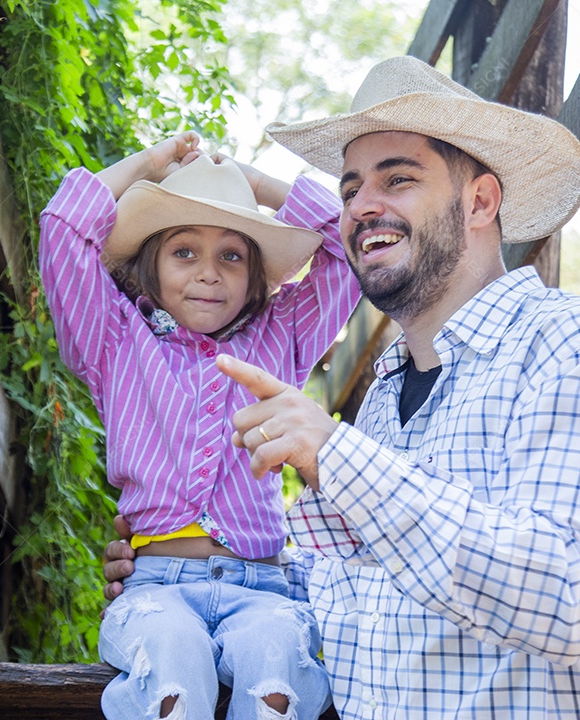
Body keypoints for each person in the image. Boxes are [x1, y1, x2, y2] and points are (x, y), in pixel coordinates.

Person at [104, 56, 580, 719]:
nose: (364, 206)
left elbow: (572, 595)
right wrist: (179, 574)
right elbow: (362, 606)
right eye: (349, 189)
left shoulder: (573, 351)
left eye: (398, 179)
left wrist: (336, 458)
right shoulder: (382, 413)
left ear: (479, 201)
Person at [40, 131, 361, 720]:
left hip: (264, 588)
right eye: (184, 251)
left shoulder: (283, 336)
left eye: (231, 255)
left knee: (274, 671)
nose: (208, 273)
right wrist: (152, 165)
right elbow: (63, 227)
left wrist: (249, 180)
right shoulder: (114, 339)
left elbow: (346, 244)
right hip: (156, 587)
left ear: (256, 275)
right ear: (149, 268)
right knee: (173, 669)